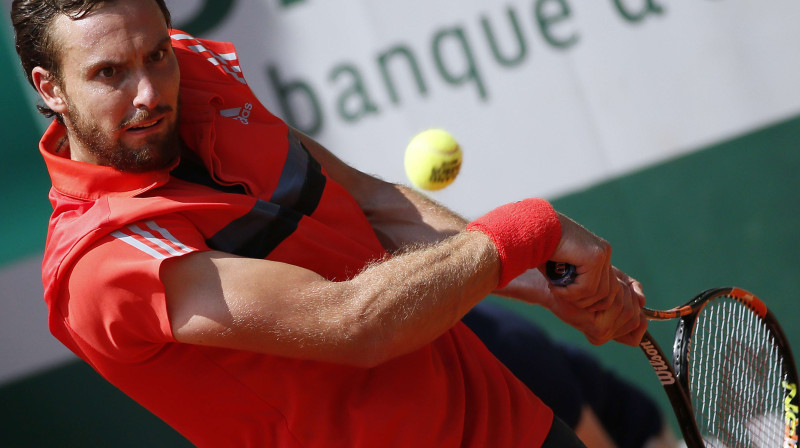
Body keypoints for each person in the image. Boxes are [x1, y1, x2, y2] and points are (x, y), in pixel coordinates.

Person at [11, 0, 651, 446]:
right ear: (50, 87)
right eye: (109, 74)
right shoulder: (102, 261)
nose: (149, 92)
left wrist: (541, 284)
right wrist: (527, 231)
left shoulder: (194, 72)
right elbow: (353, 323)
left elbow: (365, 200)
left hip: (511, 422)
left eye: (155, 55)